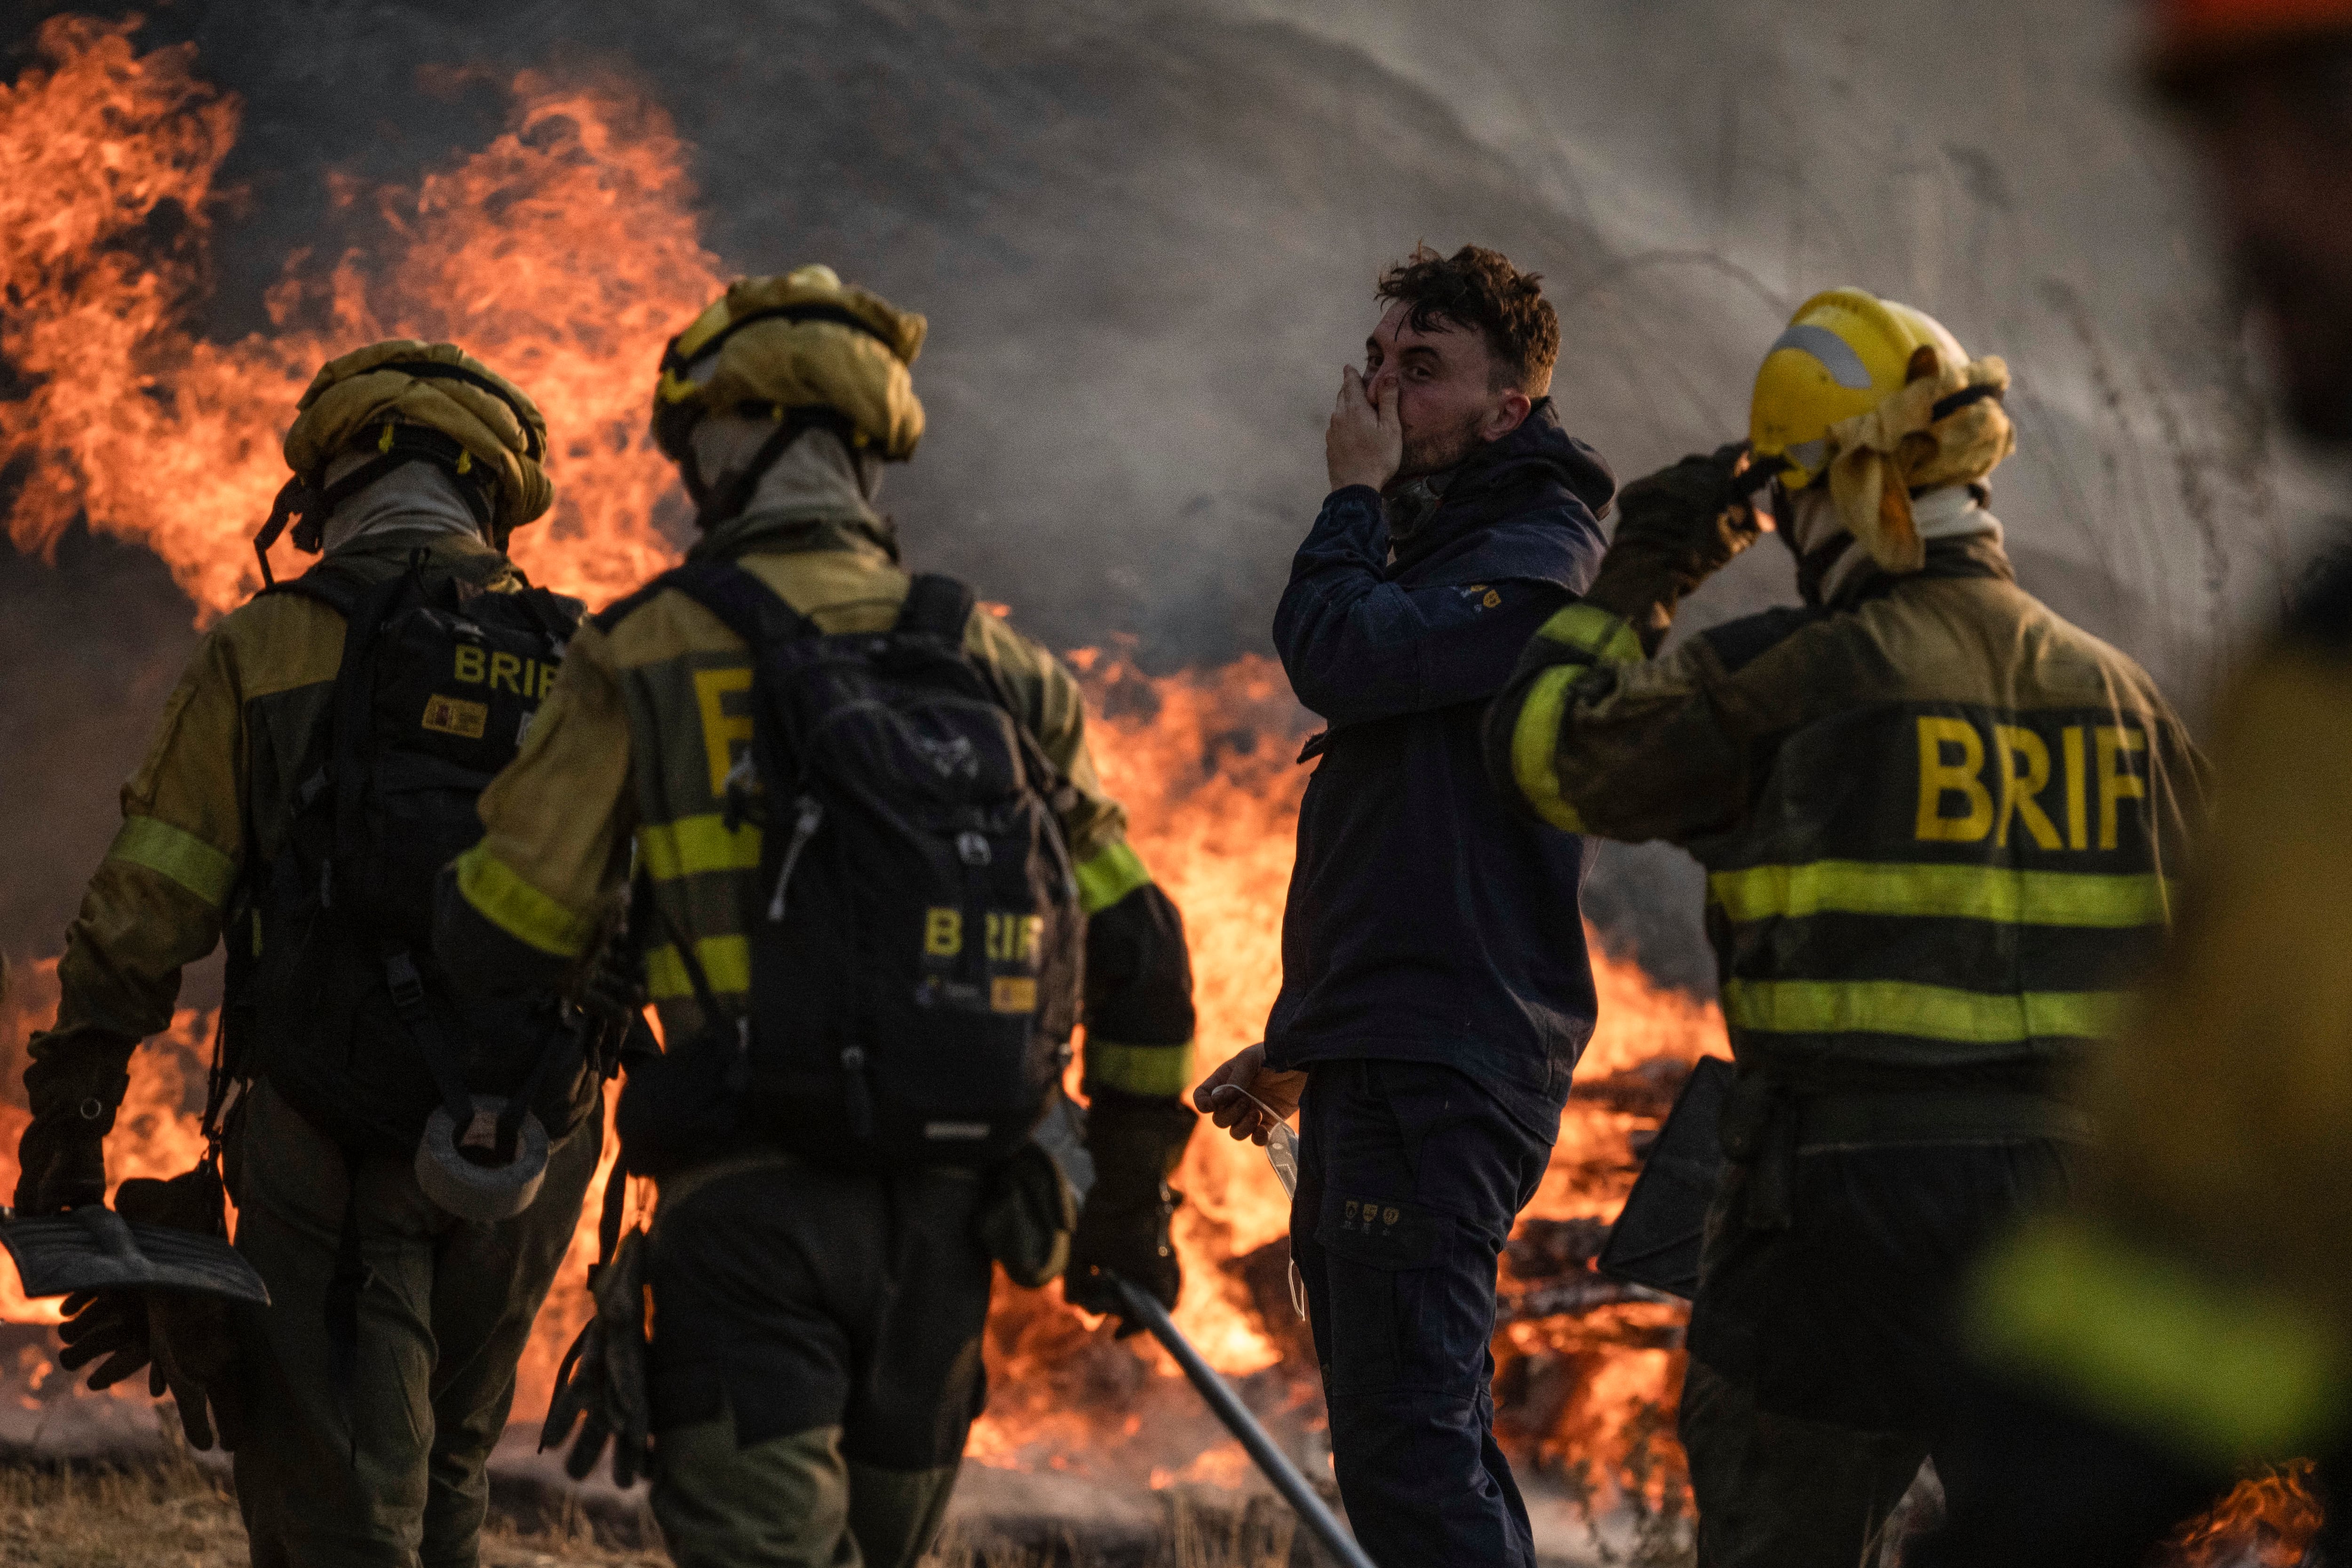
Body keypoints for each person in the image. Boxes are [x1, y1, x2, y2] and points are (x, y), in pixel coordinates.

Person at [433, 265, 1199, 1568]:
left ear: (737, 440)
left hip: (751, 1217)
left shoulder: (646, 650)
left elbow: (510, 928)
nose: (689, 477)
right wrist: (1128, 1208)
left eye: (696, 447)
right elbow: (1144, 956)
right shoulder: (1001, 667)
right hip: (951, 1230)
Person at [1482, 290, 2207, 1565]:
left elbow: (1545, 758)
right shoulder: (2130, 704)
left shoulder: (1799, 672)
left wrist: (1649, 562)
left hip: (1833, 1226)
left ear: (1834, 491)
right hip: (2073, 1230)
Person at [13, 341, 604, 1568]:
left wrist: (75, 1101)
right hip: (528, 1131)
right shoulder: (588, 662)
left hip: (322, 1121)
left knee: (325, 1470)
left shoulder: (272, 642)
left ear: (324, 492)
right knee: (449, 1450)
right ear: (497, 498)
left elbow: (153, 897)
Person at [1913, 3, 2352, 1559]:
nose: (2250, 221)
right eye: (2219, 151)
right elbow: (2208, 1226)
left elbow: (2211, 1233)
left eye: (2312, 132)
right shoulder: (2302, 663)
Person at [1195, 244, 1613, 1568]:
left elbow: (1339, 657)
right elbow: (1415, 854)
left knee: (1414, 1460)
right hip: (1392, 1055)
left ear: (1512, 408)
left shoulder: (1534, 556)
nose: (1383, 397)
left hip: (1440, 1072)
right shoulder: (1450, 550)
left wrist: (1350, 502)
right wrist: (1305, 1046)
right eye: (1377, 363)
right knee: (1412, 1443)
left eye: (1423, 372)